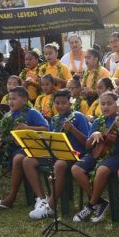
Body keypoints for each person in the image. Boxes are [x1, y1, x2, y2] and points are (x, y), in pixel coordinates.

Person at [71, 91, 119, 223]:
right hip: (97, 153)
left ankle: (90, 206)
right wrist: (95, 134)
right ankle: (100, 202)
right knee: (76, 169)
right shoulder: (98, 120)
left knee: (102, 170)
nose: (105, 107)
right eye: (102, 104)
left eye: (109, 104)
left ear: (118, 106)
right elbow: (88, 146)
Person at [0, 86, 48, 209]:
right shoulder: (8, 115)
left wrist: (27, 128)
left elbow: (46, 129)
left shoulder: (32, 112)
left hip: (25, 147)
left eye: (14, 99)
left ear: (25, 100)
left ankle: (11, 197)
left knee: (18, 159)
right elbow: (1, 132)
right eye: (9, 99)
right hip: (7, 147)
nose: (10, 101)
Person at [26, 89, 90, 219]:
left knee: (60, 164)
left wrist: (72, 129)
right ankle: (42, 198)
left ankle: (50, 207)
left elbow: (86, 142)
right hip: (56, 153)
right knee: (28, 160)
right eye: (57, 103)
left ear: (70, 103)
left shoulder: (78, 116)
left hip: (76, 154)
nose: (60, 106)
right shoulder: (55, 119)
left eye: (63, 103)